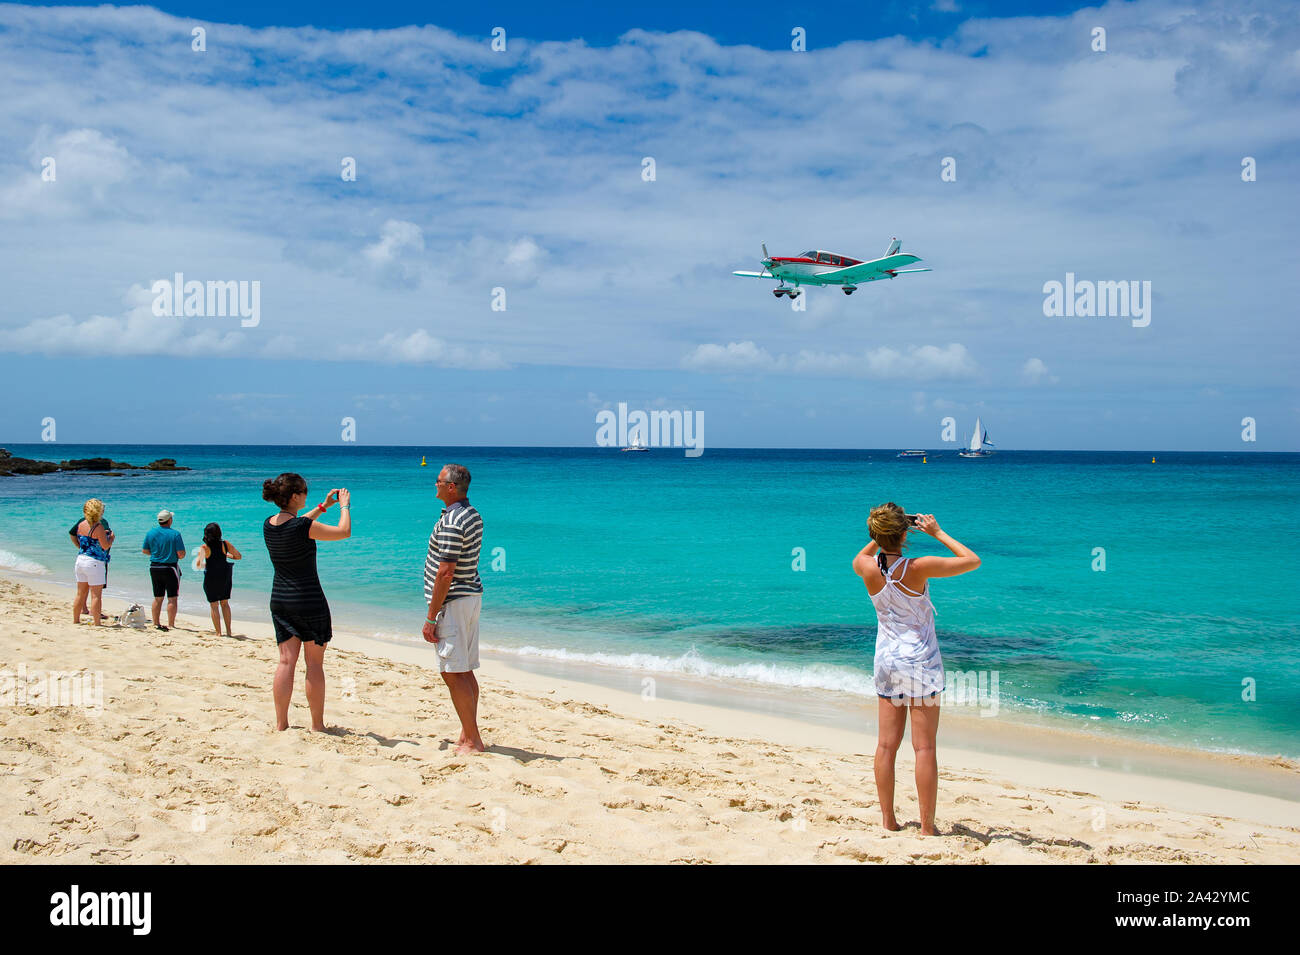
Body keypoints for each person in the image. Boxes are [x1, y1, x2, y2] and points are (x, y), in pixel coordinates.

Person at [851, 504, 980, 836]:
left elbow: (864, 553)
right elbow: (971, 560)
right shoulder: (918, 568)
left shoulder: (866, 567)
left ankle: (888, 822)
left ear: (876, 535)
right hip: (920, 662)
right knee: (924, 748)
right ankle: (926, 827)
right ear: (905, 534)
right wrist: (937, 533)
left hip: (887, 663)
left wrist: (881, 537)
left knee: (886, 746)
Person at [262, 473, 351, 732]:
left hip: (280, 599)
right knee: (313, 664)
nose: (306, 494)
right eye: (304, 491)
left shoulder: (269, 524)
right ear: (294, 496)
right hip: (308, 600)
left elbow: (298, 523)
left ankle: (281, 724)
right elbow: (344, 532)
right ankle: (317, 725)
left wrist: (323, 507)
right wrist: (344, 505)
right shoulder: (302, 527)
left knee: (286, 662)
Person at [421, 464, 485, 754]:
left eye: (438, 481)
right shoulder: (471, 514)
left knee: (452, 671)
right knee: (465, 669)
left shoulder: (453, 521)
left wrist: (430, 616)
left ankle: (472, 739)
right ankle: (467, 732)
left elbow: (445, 572)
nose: (433, 484)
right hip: (469, 597)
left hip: (455, 601)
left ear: (450, 487)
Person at [69, 498, 114, 625]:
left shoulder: (81, 524)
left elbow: (79, 537)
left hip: (80, 559)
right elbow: (105, 546)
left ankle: (76, 620)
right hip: (94, 562)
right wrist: (111, 538)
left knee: (80, 593)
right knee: (96, 595)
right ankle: (97, 622)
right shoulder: (98, 526)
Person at [142, 509, 186, 631]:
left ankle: (156, 622)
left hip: (155, 567)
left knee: (158, 597)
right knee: (172, 598)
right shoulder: (175, 534)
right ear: (170, 520)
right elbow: (181, 554)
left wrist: (157, 553)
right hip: (170, 567)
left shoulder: (150, 533)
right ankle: (171, 624)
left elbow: (145, 551)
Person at [196, 522, 241, 636]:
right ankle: (229, 632)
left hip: (211, 577)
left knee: (214, 605)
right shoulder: (225, 544)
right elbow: (238, 556)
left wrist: (206, 564)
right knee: (225, 604)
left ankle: (218, 632)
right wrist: (227, 555)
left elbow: (198, 565)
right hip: (224, 577)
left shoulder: (204, 547)